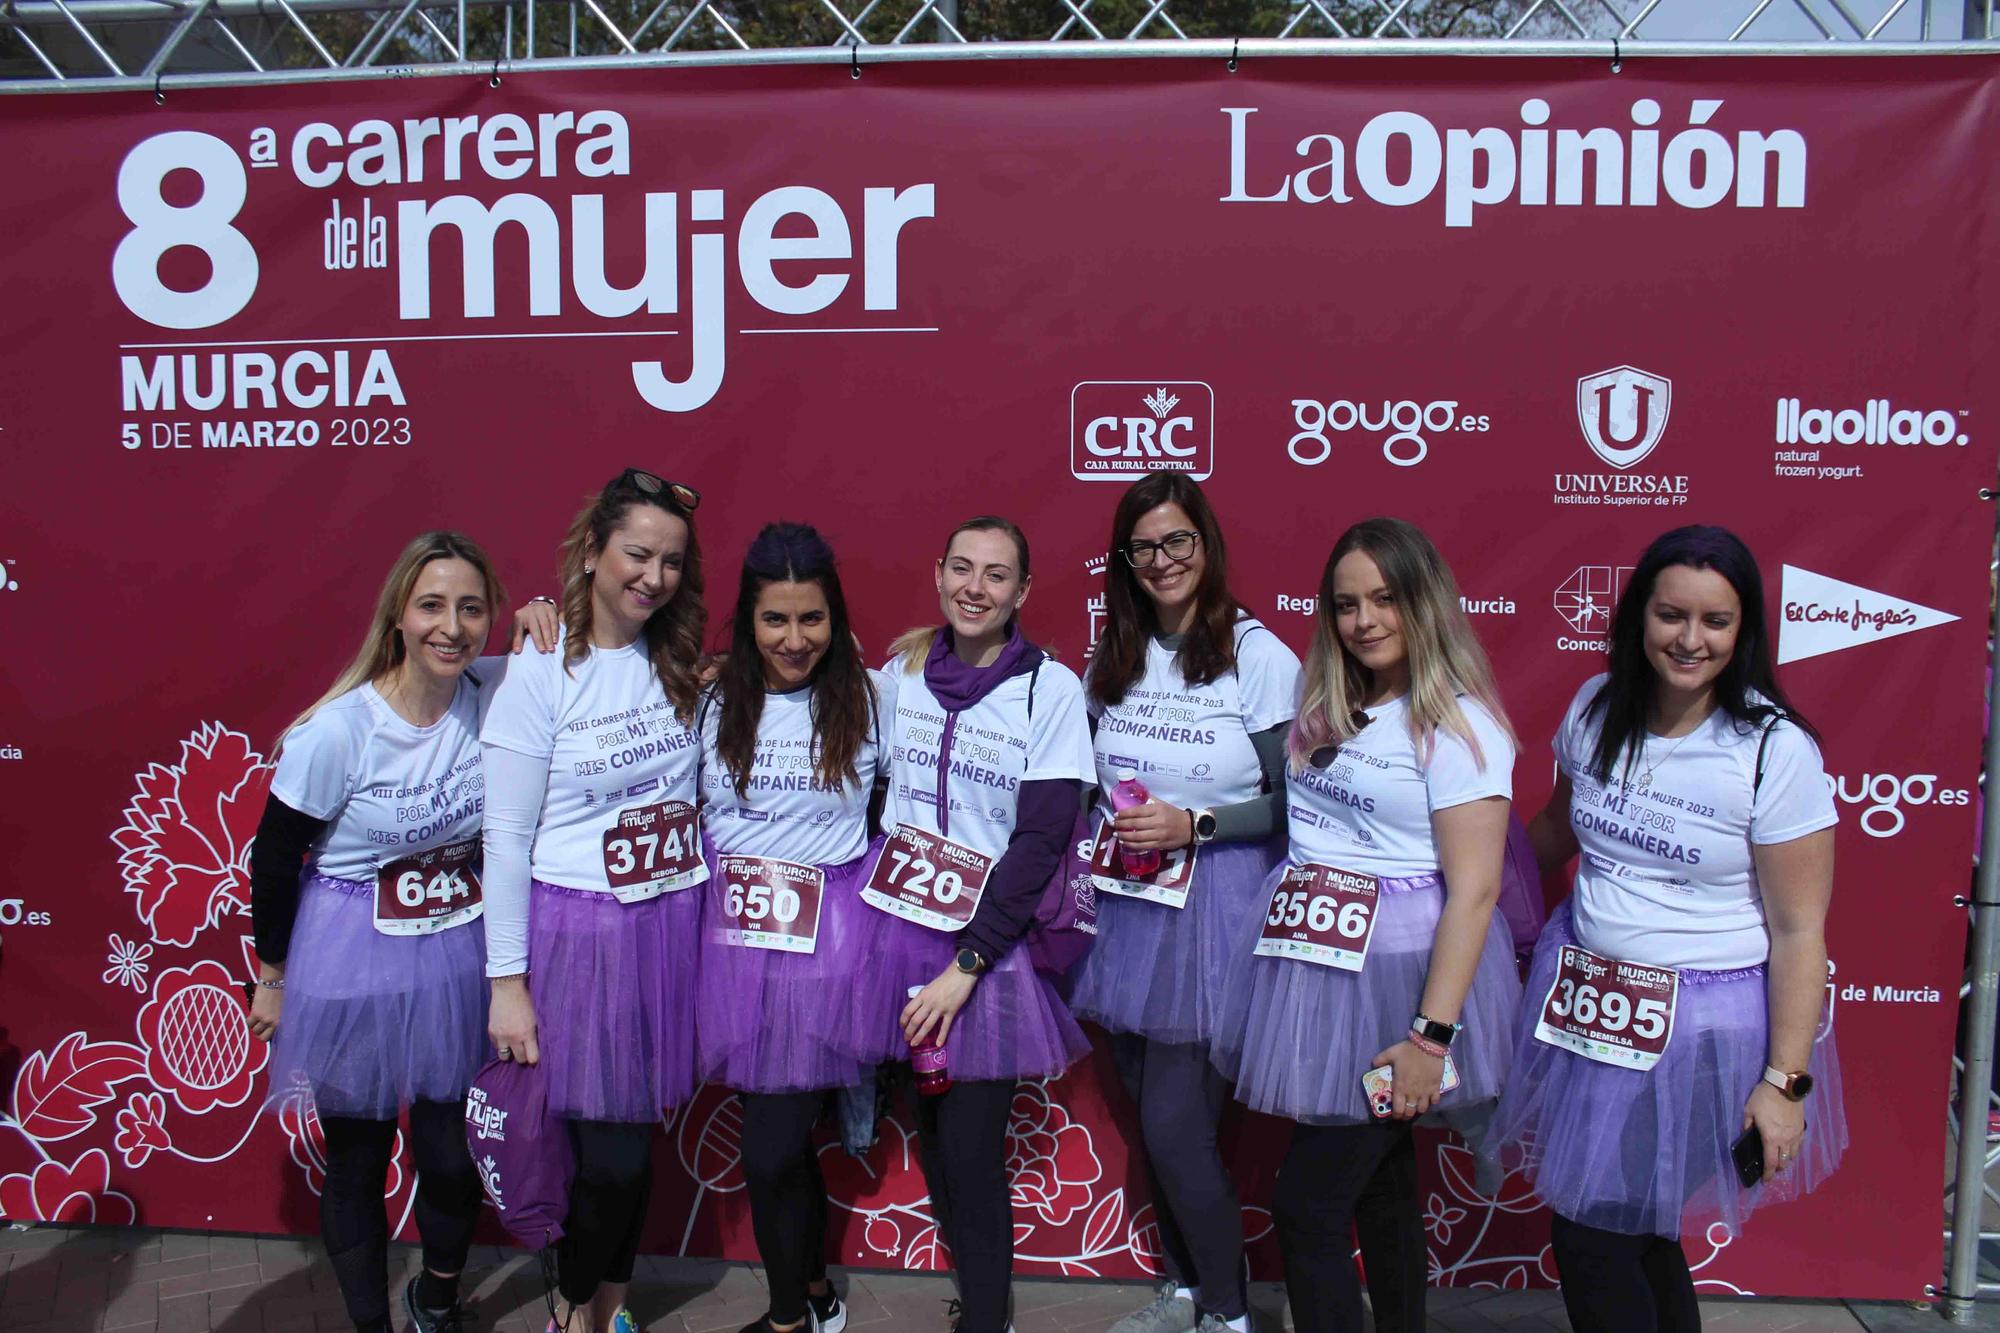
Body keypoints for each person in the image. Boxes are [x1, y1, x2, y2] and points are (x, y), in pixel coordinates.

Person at [1485, 524, 1846, 1333]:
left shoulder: (1772, 751)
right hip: (1587, 1006)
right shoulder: (1596, 705)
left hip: (1700, 1033)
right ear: (1637, 615)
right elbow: (1555, 831)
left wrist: (1784, 1083)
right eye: (1671, 615)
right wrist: (1463, 884)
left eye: (1715, 621)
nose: (1690, 639)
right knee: (1638, 1233)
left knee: (1592, 1233)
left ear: (1744, 629)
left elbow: (1798, 930)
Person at [1214, 517, 1523, 1333]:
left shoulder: (1460, 728)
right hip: (1315, 969)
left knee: (1307, 1206)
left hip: (1398, 986)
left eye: (1386, 599)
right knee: (1382, 1189)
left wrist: (1430, 1039)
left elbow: (1476, 892)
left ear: (1425, 603)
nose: (1365, 620)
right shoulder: (1325, 704)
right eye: (1347, 603)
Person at [246, 531, 555, 1333]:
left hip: (458, 955)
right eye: (431, 606)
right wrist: (272, 976)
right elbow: (276, 859)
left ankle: (437, 1298)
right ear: (397, 617)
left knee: (453, 1159)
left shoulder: (493, 688)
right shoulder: (337, 732)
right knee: (357, 1158)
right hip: (355, 957)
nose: (450, 626)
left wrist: (547, 612)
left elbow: (594, 655)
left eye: (470, 608)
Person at [481, 470, 710, 1333]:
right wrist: (508, 980)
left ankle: (610, 1309)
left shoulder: (677, 660)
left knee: (634, 1132)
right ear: (592, 553)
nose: (653, 576)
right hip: (580, 933)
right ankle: (572, 1307)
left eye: (672, 562)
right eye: (637, 554)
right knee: (605, 1158)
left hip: (669, 925)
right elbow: (505, 836)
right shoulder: (540, 665)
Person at [1070, 475, 1300, 1333]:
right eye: (1144, 547)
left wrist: (1195, 822)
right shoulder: (1114, 655)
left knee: (1173, 1127)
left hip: (1218, 912)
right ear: (1124, 561)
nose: (1162, 561)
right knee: (1156, 1119)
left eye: (1178, 542)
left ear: (1206, 544)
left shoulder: (1260, 655)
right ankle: (1187, 1290)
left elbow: (1297, 802)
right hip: (1127, 910)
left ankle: (1231, 1315)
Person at [854, 516, 1096, 1333]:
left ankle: (990, 1321)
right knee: (931, 1136)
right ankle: (977, 1306)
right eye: (962, 567)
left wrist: (970, 959)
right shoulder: (903, 672)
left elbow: (1039, 841)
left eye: (997, 575)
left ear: (1023, 592)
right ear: (938, 572)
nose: (976, 587)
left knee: (968, 1148)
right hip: (895, 933)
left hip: (986, 953)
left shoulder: (1049, 689)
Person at [692, 522, 895, 1333]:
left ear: (834, 618)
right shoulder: (710, 699)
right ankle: (816, 1293)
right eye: (775, 619)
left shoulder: (873, 697)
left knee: (772, 1146)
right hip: (732, 953)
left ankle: (786, 1323)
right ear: (748, 620)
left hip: (830, 950)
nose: (794, 638)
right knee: (781, 1144)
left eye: (810, 618)